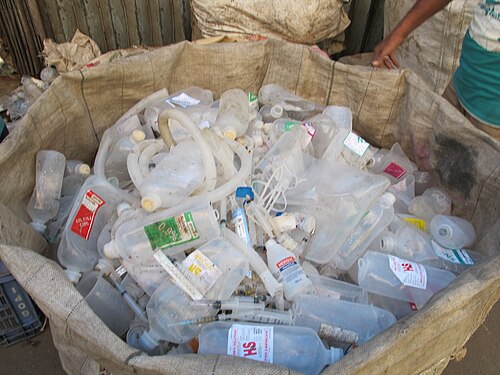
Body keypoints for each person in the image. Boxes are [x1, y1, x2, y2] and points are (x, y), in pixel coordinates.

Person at [371, 0, 500, 140]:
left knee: (475, 159)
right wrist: (399, 35)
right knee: (432, 147)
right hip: (464, 77)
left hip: (492, 111)